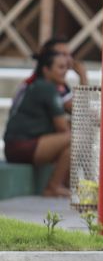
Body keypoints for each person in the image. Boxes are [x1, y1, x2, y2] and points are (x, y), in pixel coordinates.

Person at [4, 49, 71, 197]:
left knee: (73, 134)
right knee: (74, 138)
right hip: (22, 146)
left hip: (14, 147)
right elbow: (62, 127)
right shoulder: (46, 87)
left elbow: (75, 110)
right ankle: (53, 187)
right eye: (60, 67)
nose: (65, 72)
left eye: (66, 67)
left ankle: (61, 184)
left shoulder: (38, 85)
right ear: (46, 70)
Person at [11, 37, 88, 114]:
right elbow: (79, 112)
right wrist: (83, 76)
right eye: (63, 54)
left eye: (69, 54)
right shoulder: (41, 86)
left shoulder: (51, 82)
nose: (70, 59)